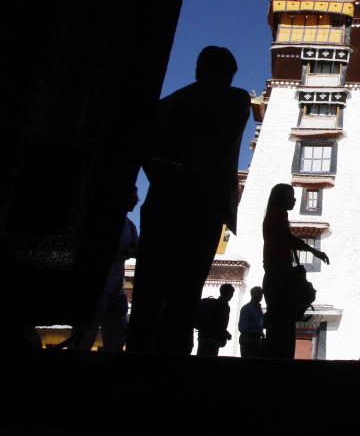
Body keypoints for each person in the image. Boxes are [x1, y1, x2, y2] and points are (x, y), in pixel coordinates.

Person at [128, 46, 251, 355]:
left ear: (198, 69)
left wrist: (165, 174)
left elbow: (143, 148)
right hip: (204, 206)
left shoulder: (166, 106)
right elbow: (217, 150)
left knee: (150, 288)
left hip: (163, 202)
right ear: (228, 74)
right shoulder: (235, 100)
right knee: (186, 289)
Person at [261, 183, 329, 359]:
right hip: (279, 277)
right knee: (282, 328)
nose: (294, 199)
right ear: (281, 198)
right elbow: (289, 240)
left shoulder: (275, 215)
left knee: (279, 327)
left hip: (275, 275)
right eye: (291, 196)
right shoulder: (277, 215)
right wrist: (314, 250)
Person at [69, 188, 140, 352]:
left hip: (116, 287)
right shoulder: (101, 221)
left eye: (136, 199)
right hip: (95, 286)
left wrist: (127, 253)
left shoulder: (129, 226)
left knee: (117, 334)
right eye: (133, 198)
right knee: (86, 331)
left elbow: (136, 249)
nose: (135, 202)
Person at [196, 283, 234, 356]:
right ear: (228, 293)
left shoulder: (212, 303)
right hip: (213, 339)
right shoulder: (224, 306)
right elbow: (219, 324)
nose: (232, 296)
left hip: (203, 336)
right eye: (231, 293)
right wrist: (225, 334)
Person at [238, 286, 265, 358]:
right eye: (259, 294)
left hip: (256, 339)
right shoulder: (247, 308)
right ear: (253, 295)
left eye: (261, 294)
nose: (261, 296)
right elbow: (243, 327)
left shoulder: (259, 309)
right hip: (248, 339)